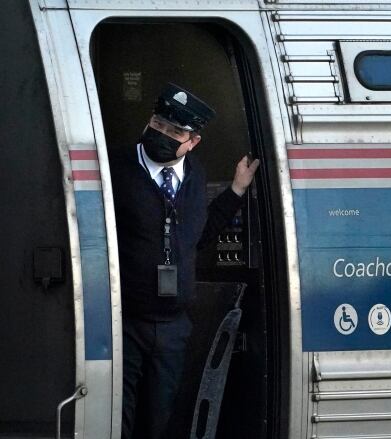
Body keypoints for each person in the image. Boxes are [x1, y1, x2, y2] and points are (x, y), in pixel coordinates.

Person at [110, 83, 260, 439]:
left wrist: (237, 191)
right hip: (125, 321)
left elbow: (200, 236)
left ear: (193, 141)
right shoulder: (116, 167)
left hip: (173, 326)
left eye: (175, 131)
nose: (162, 134)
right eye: (158, 125)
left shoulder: (194, 176)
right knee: (119, 418)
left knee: (161, 419)